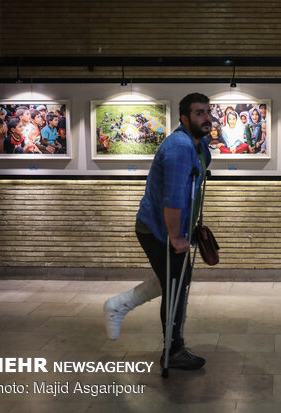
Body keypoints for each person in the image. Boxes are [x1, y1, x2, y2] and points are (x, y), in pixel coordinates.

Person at [104, 92, 212, 371]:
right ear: (184, 118)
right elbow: (174, 198)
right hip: (159, 229)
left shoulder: (197, 144)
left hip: (171, 226)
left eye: (208, 112)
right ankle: (173, 350)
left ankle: (119, 304)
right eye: (199, 113)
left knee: (176, 277)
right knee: (176, 282)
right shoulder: (179, 148)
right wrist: (176, 236)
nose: (207, 118)